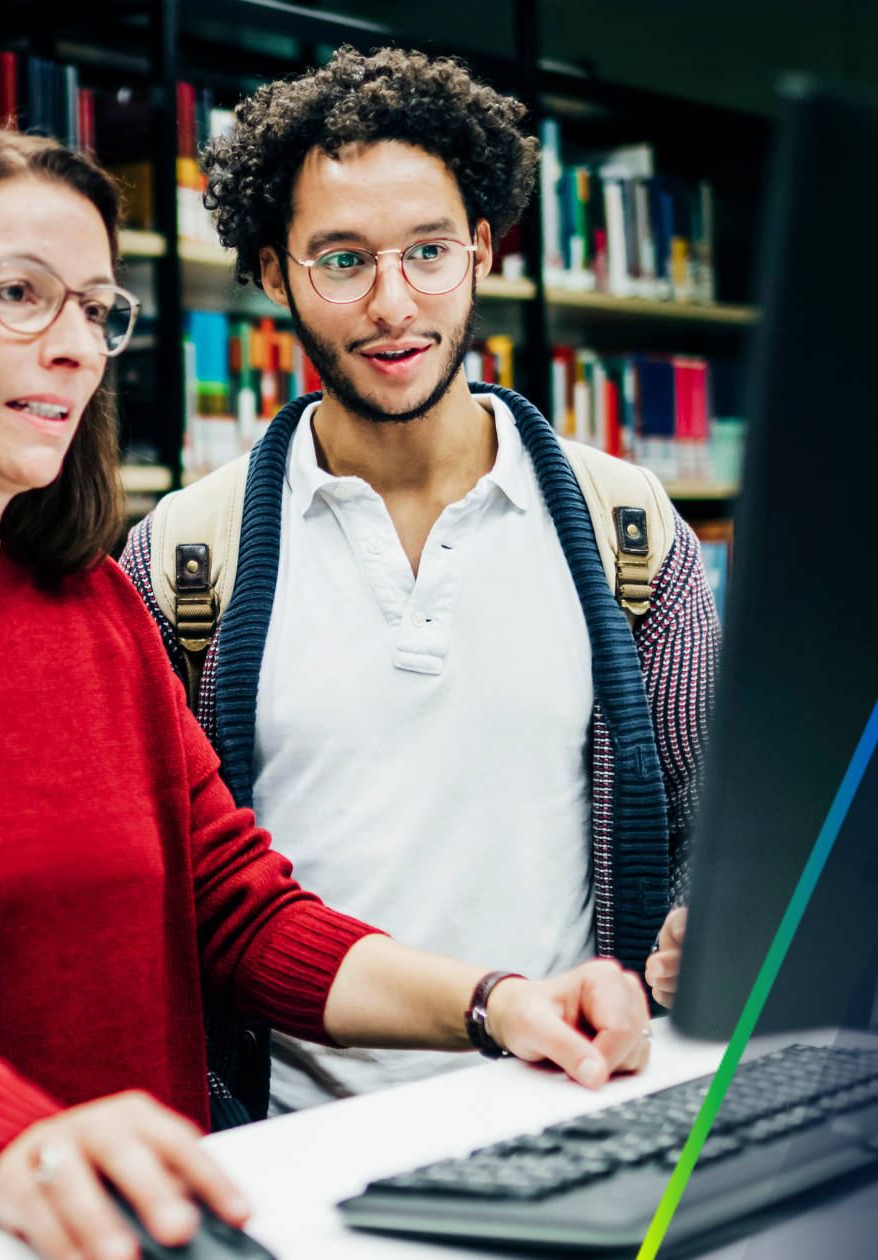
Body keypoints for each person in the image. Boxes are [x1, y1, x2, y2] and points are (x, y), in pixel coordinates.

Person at [0, 128, 653, 1260]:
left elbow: (236, 906)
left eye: (95, 309)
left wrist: (496, 1004)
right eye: (20, 295)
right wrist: (20, 1148)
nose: (76, 348)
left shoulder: (92, 606)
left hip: (132, 1231)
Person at [119, 48, 712, 1116]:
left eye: (429, 251)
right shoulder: (176, 561)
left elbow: (704, 826)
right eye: (341, 260)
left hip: (567, 1101)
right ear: (271, 272)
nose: (395, 303)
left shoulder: (634, 535)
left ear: (482, 249)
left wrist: (697, 941)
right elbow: (171, 895)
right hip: (284, 1142)